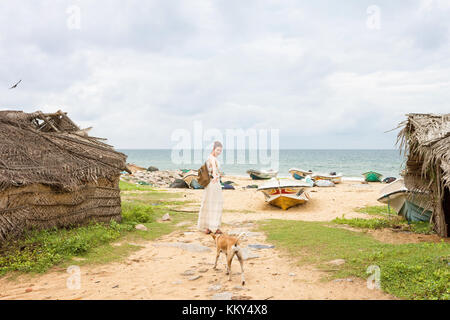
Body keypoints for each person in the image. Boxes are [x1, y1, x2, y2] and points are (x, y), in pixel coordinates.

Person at [197, 141, 223, 234]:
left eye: (220, 150)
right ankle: (214, 227)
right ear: (214, 149)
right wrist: (216, 176)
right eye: (218, 150)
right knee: (216, 204)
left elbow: (211, 169)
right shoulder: (212, 158)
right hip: (214, 184)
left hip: (209, 184)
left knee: (209, 203)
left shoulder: (209, 157)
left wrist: (217, 174)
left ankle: (208, 227)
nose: (219, 152)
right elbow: (214, 169)